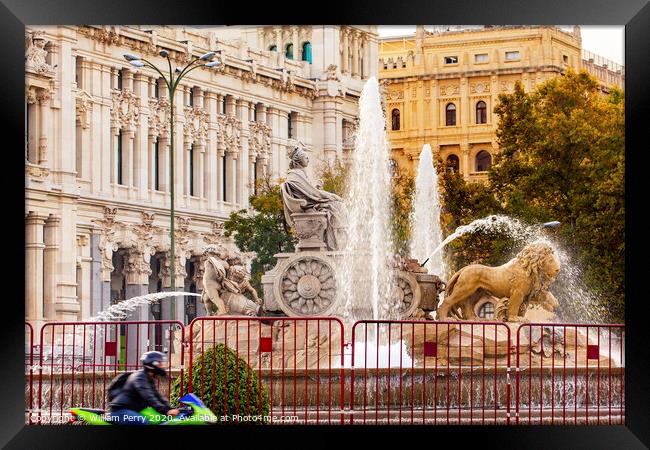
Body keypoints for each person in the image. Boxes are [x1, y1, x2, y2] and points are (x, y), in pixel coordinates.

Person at [281, 144, 346, 250]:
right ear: (299, 159)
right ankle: (337, 242)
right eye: (306, 157)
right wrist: (333, 196)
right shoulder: (295, 175)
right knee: (337, 206)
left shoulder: (298, 174)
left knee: (337, 206)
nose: (308, 160)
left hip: (311, 203)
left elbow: (310, 191)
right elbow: (314, 194)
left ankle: (338, 240)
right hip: (309, 205)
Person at [108, 351, 179, 425]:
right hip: (121, 411)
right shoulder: (140, 377)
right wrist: (166, 411)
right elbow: (149, 397)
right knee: (144, 423)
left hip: (131, 411)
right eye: (160, 364)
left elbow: (158, 396)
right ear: (153, 364)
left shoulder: (148, 378)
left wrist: (170, 409)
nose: (163, 366)